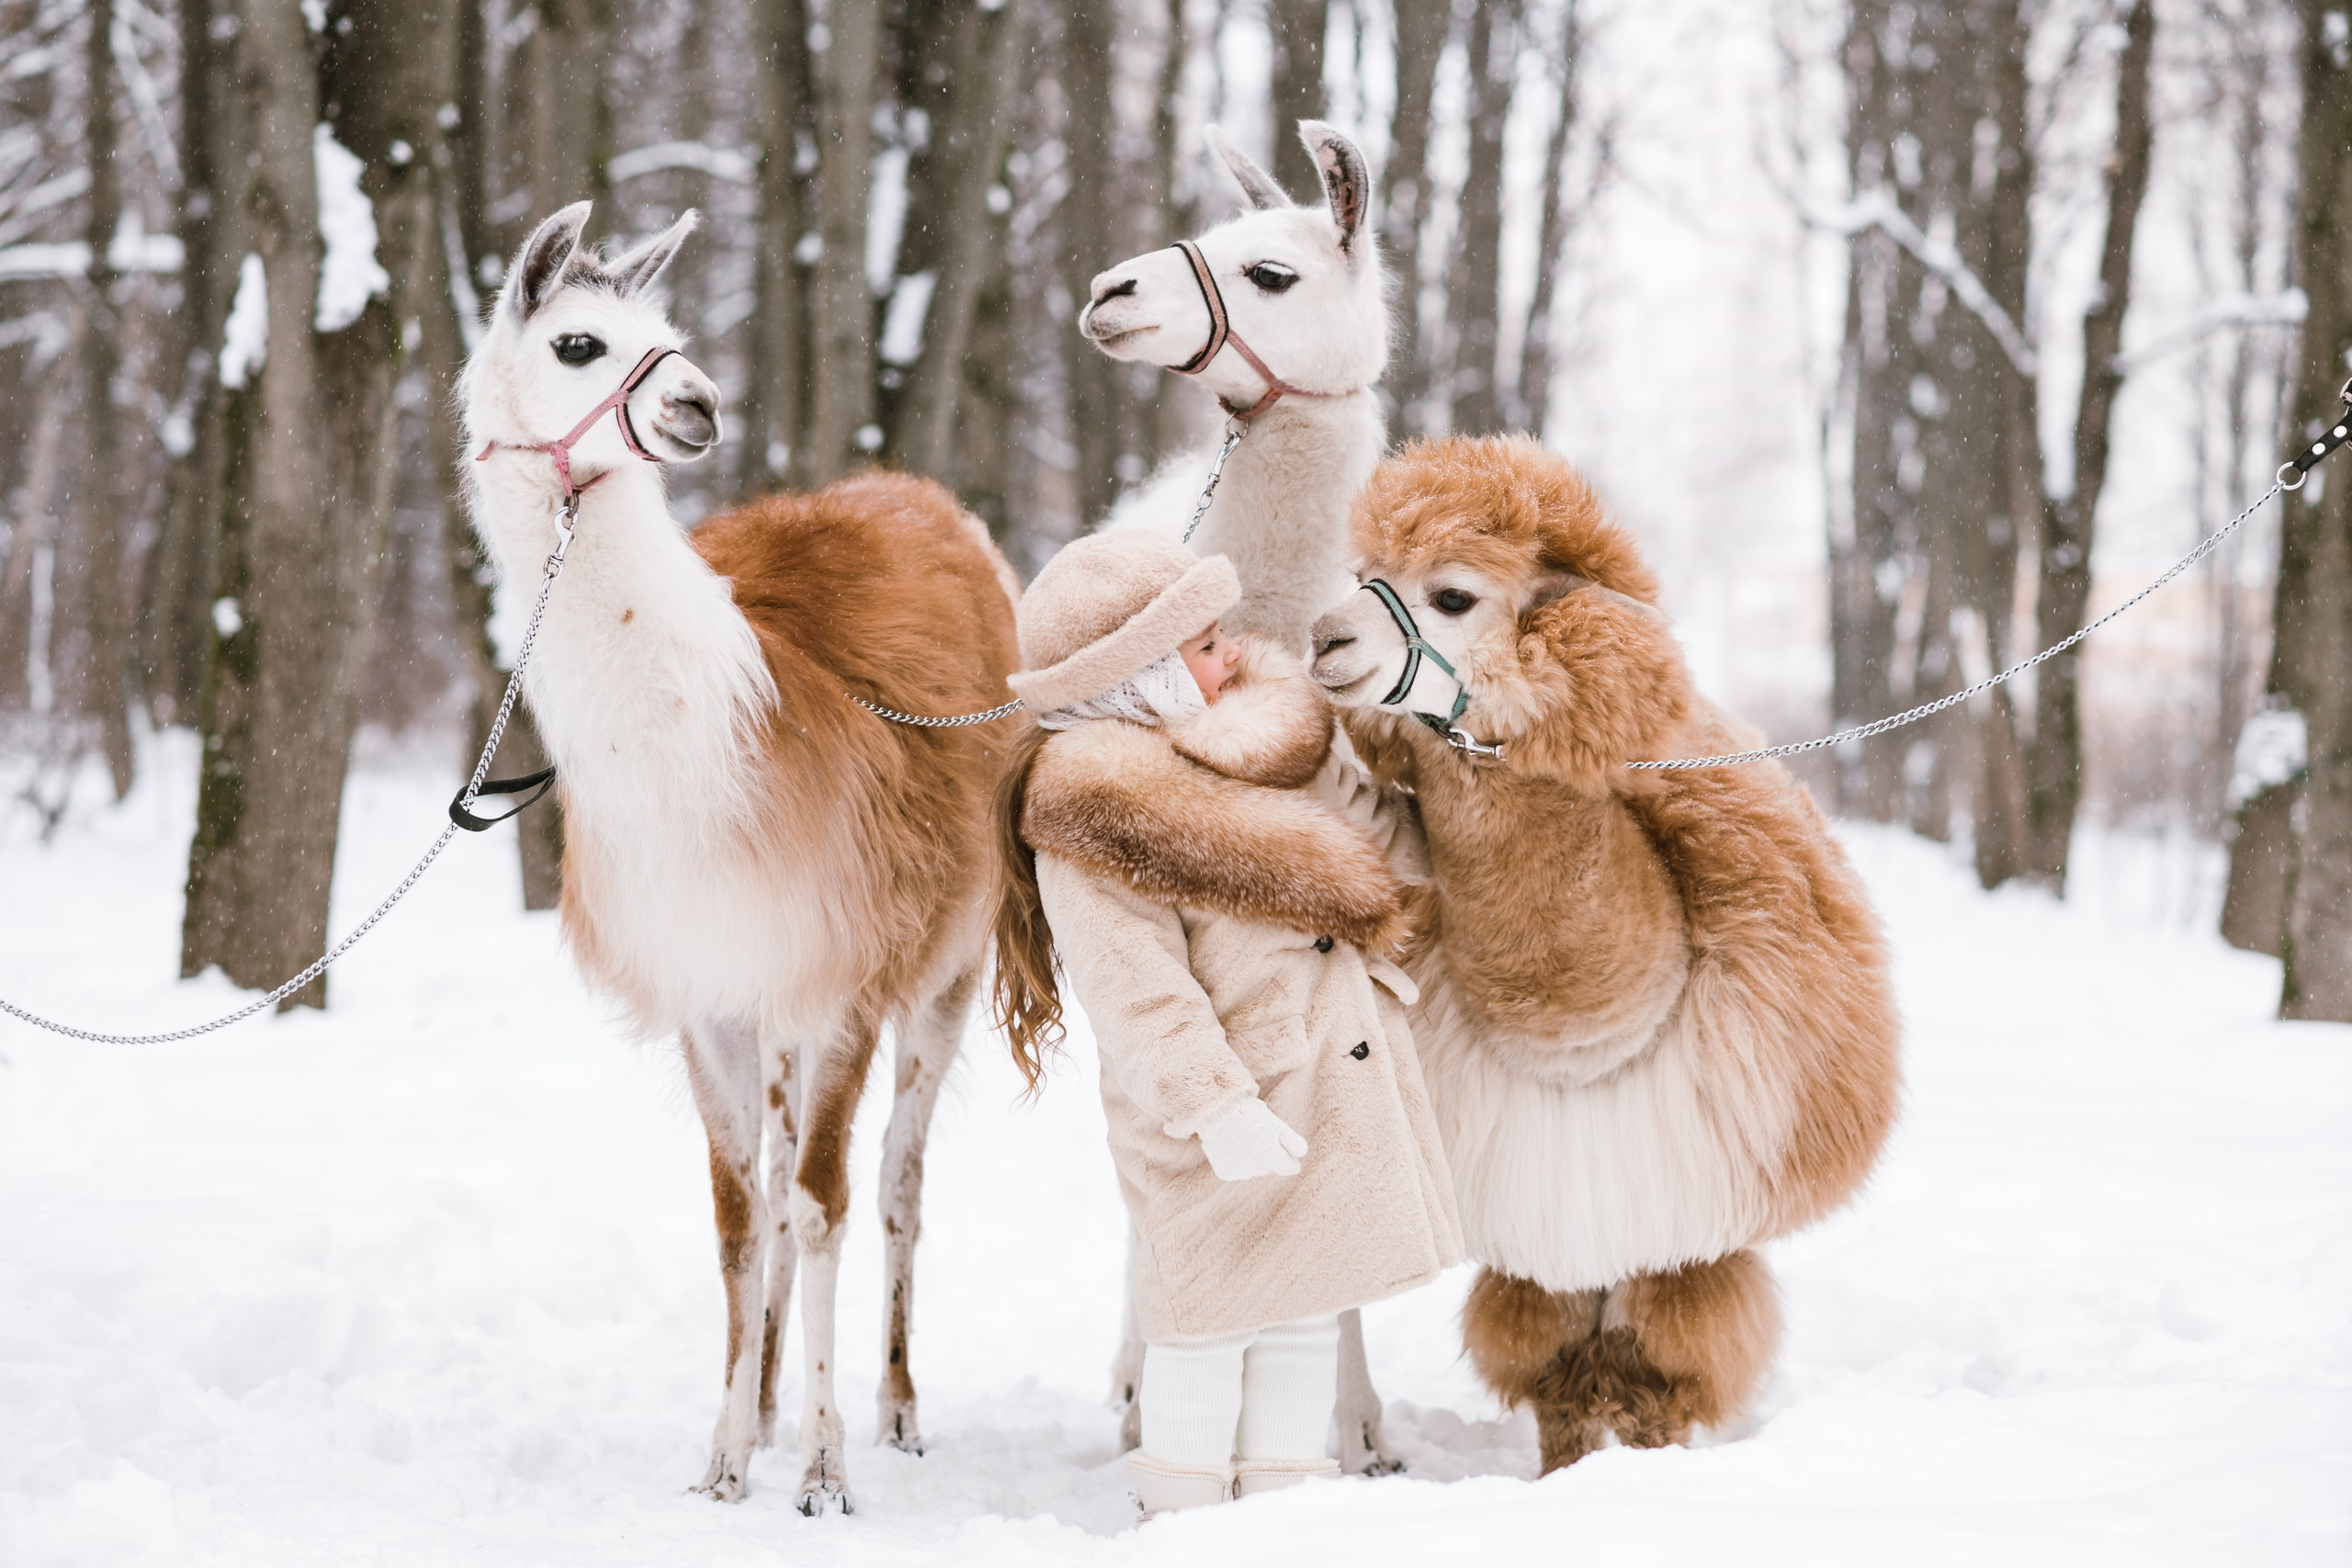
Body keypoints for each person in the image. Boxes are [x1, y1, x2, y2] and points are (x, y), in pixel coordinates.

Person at [988, 532, 1463, 1518]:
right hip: (1216, 1125)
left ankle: (1283, 1515)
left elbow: (1392, 841)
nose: (1235, 653)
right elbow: (1135, 987)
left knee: (1300, 1317)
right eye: (1206, 644)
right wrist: (1214, 1106)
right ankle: (1183, 1519)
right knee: (1203, 1330)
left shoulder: (1260, 755)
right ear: (1140, 676)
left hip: (1312, 1096)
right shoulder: (1096, 809)